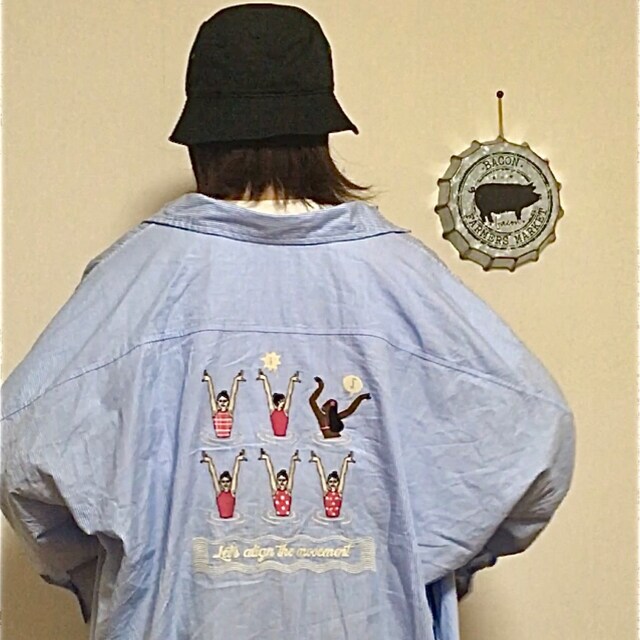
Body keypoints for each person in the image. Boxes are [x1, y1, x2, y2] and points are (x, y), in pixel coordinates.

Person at [1, 4, 574, 640]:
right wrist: (432, 560)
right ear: (321, 134)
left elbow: (21, 451)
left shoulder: (136, 279)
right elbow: (537, 435)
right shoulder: (401, 275)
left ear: (200, 141)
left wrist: (107, 574)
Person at [200, 449, 247, 519]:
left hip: (231, 519)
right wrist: (209, 461)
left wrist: (237, 460)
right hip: (221, 518)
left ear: (230, 482)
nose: (225, 484)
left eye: (227, 481)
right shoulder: (219, 492)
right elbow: (213, 474)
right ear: (220, 483)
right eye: (223, 481)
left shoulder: (232, 492)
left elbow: (235, 474)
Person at [309, 450, 355, 518]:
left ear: (338, 482)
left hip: (337, 516)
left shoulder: (339, 492)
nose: (332, 483)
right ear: (327, 483)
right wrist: (318, 461)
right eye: (330, 482)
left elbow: (343, 474)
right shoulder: (326, 492)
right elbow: (321, 475)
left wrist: (346, 461)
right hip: (328, 516)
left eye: (335, 481)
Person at [202, 368, 245, 438]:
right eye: (220, 401)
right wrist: (209, 380)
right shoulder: (215, 411)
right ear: (217, 402)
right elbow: (211, 394)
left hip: (227, 437)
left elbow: (233, 394)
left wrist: (236, 380)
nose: (222, 403)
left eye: (224, 401)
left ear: (228, 402)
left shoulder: (229, 411)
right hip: (218, 437)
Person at [258, 448, 301, 517]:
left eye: (284, 480)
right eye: (280, 480)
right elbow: (271, 474)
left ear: (287, 481)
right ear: (277, 481)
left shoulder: (288, 490)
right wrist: (267, 459)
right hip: (278, 515)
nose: (282, 482)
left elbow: (291, 474)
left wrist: (293, 460)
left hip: (287, 516)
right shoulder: (275, 491)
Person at [256, 369, 300, 437]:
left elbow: (289, 394)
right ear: (278, 402)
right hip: (276, 436)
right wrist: (265, 379)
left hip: (283, 436)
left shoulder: (285, 411)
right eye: (282, 401)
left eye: (284, 401)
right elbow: (268, 393)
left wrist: (291, 381)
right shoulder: (273, 410)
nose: (284, 403)